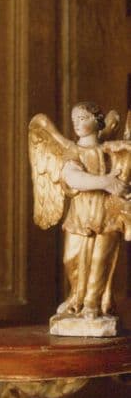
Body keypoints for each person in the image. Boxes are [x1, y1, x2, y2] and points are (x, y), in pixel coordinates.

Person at [57, 101, 130, 318]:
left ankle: (92, 303)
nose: (77, 124)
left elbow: (122, 176)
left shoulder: (110, 149)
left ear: (97, 121)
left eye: (82, 119)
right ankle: (76, 297)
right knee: (71, 258)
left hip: (106, 213)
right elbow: (72, 177)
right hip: (79, 215)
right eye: (74, 120)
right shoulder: (73, 150)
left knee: (100, 260)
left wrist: (122, 188)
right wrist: (105, 182)